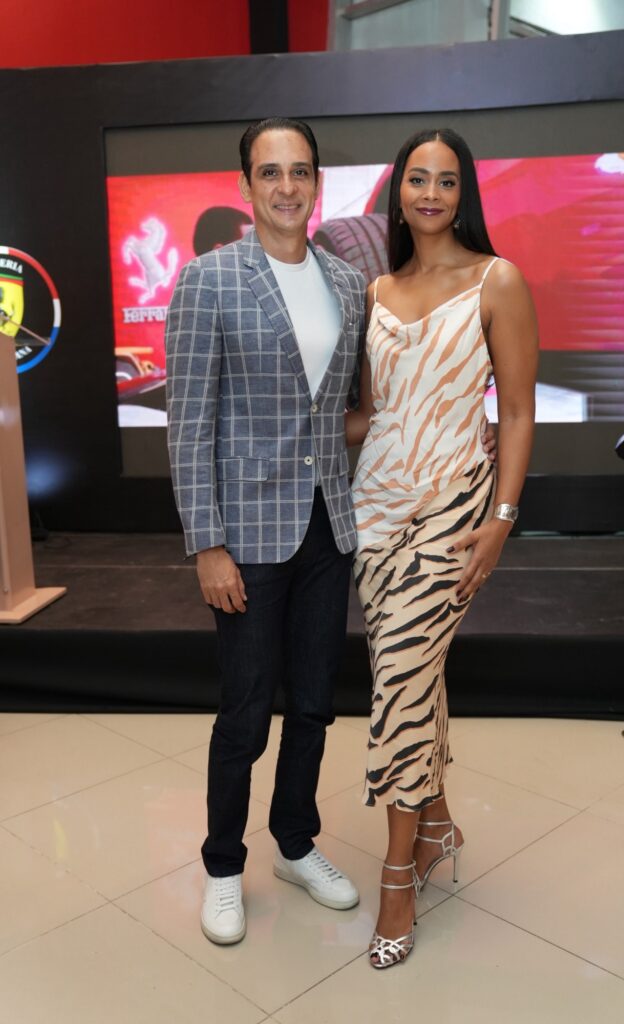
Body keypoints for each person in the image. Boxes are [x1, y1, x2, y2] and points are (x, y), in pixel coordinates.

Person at [164, 117, 368, 945]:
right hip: (245, 536)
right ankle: (223, 864)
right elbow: (189, 425)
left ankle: (294, 842)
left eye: (301, 171)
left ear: (317, 181)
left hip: (328, 527)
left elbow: (346, 412)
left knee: (313, 702)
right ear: (246, 184)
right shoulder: (208, 279)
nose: (287, 186)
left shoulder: (348, 283)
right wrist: (206, 544)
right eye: (271, 171)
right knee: (246, 710)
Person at [345, 128, 538, 969]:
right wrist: (282, 430)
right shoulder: (377, 290)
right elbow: (373, 415)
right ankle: (438, 825)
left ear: (465, 194)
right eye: (418, 179)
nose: (431, 194)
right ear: (399, 191)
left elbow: (518, 412)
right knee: (416, 676)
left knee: (396, 679)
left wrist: (501, 519)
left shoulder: (499, 281)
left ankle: (398, 878)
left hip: (456, 512)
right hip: (375, 513)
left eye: (447, 181)